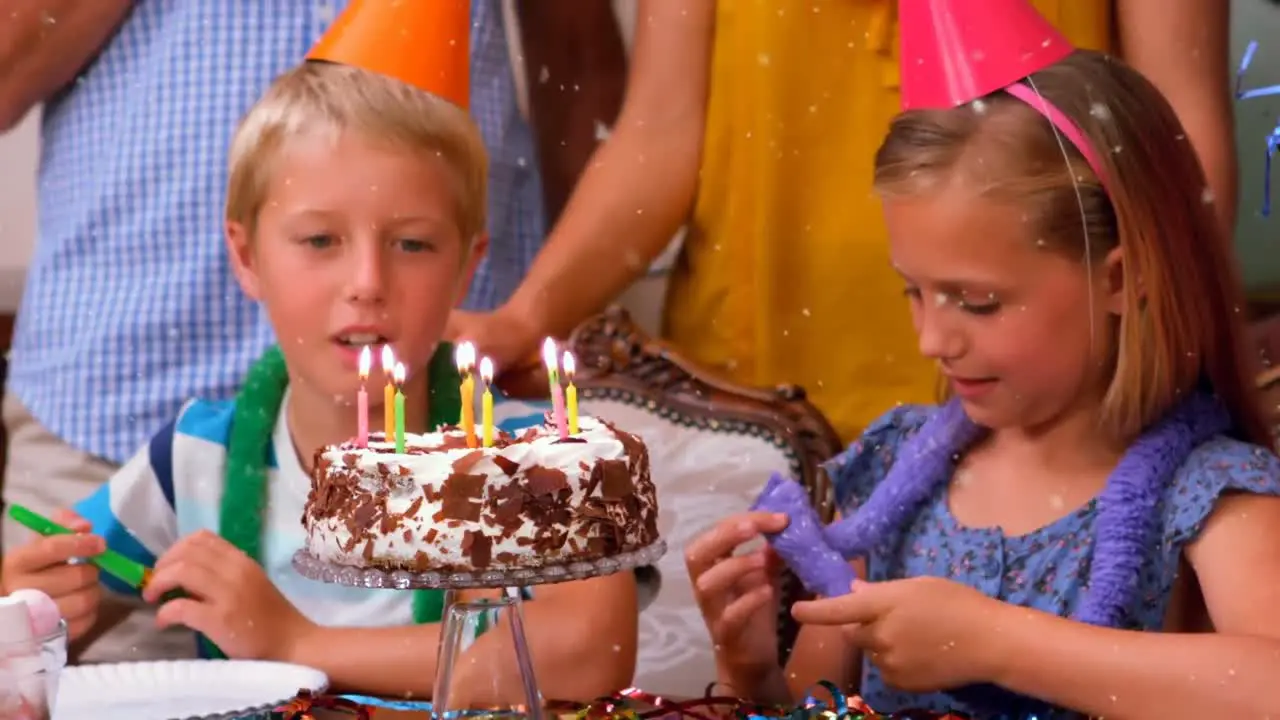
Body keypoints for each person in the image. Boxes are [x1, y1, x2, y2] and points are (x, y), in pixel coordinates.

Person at [0, 3, 636, 702]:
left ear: (467, 264)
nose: (367, 283)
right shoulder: (190, 461)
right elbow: (34, 625)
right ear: (246, 257)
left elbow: (589, 651)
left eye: (413, 244)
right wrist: (32, 609)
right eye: (320, 241)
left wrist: (296, 643)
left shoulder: (531, 455)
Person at [683, 3, 1280, 717]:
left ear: (1120, 279)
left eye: (978, 301)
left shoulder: (1209, 494)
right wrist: (752, 674)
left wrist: (1001, 643)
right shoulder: (895, 475)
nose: (934, 340)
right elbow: (821, 707)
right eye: (916, 292)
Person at [448, 0, 1238, 446]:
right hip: (758, 413)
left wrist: (1155, 352)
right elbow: (660, 134)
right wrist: (527, 315)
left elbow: (1177, 134)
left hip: (1059, 400)